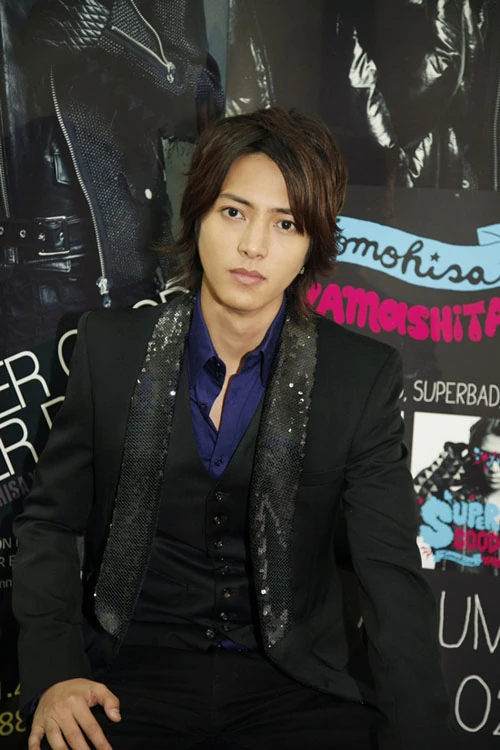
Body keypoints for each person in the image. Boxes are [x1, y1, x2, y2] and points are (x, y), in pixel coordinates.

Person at [13, 107, 455, 750]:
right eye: (233, 212)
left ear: (312, 245)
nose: (254, 246)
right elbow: (50, 524)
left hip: (296, 688)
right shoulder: (109, 350)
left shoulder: (359, 377)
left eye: (286, 223)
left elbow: (390, 571)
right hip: (129, 679)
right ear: (197, 215)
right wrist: (55, 674)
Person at [415, 417, 500, 574]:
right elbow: (409, 509)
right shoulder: (454, 503)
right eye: (486, 456)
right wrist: (452, 458)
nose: (494, 467)